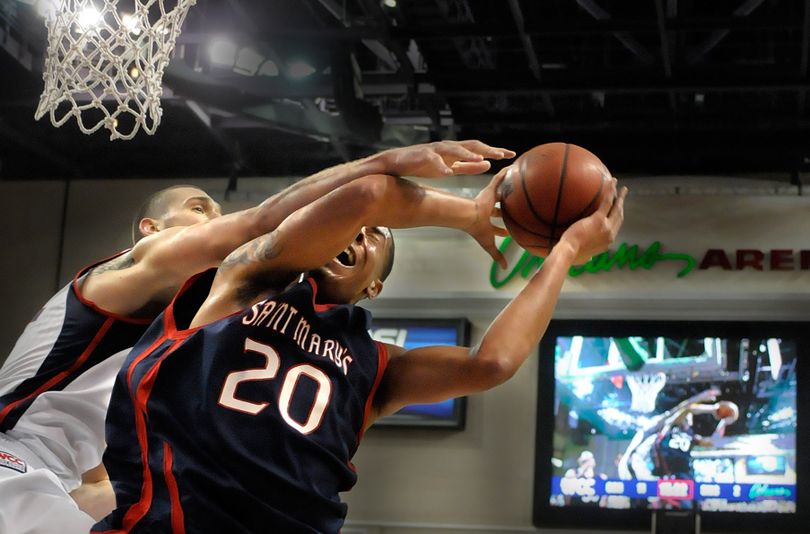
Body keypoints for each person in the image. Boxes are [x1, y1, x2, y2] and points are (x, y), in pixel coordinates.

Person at [0, 140, 514, 534]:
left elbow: (97, 471)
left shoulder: (203, 323)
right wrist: (390, 169)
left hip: (49, 476)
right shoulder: (133, 270)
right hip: (12, 458)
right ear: (150, 230)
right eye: (201, 209)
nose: (218, 221)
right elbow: (268, 222)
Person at [93, 168, 627, 533]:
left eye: (377, 239)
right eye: (356, 229)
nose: (360, 234)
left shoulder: (376, 366)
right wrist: (465, 212)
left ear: (374, 286)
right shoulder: (246, 280)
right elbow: (362, 198)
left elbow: (493, 363)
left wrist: (567, 252)